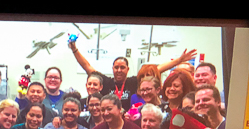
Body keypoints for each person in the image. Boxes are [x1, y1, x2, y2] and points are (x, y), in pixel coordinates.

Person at [69, 40, 197, 111]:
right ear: (112, 69)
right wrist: (74, 49)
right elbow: (87, 67)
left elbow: (157, 69)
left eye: (122, 67)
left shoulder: (134, 81)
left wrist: (178, 61)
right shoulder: (107, 82)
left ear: (127, 69)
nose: (119, 70)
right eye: (116, 67)